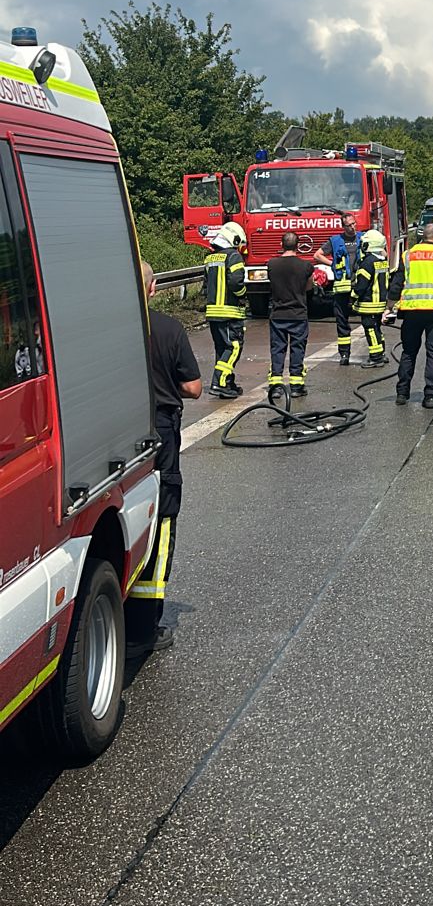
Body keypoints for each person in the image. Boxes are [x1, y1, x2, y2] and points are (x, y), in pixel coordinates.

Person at [128, 262, 202, 653]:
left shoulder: (106, 327)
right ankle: (144, 627)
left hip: (117, 429)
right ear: (154, 288)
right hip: (160, 432)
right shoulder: (170, 329)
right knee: (161, 519)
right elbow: (193, 387)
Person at [387, 221, 433, 407]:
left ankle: (402, 393)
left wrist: (388, 308)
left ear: (422, 236)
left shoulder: (408, 256)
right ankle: (430, 396)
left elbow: (395, 286)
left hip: (412, 312)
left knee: (409, 352)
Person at [266, 231, 322, 400]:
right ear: (298, 245)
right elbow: (309, 287)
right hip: (298, 314)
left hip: (278, 314)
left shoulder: (271, 264)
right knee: (297, 349)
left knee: (278, 350)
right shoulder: (305, 266)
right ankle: (296, 386)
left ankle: (275, 387)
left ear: (281, 245)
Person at [205, 220, 248, 396]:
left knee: (222, 349)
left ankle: (228, 382)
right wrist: (244, 295)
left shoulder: (210, 258)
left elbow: (206, 284)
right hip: (229, 311)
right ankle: (219, 383)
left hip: (213, 312)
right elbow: (236, 282)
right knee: (234, 347)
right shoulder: (233, 256)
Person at [320, 214, 360, 365]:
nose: (352, 227)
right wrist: (332, 264)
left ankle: (376, 353)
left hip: (360, 285)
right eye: (349, 225)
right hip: (342, 287)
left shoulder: (362, 238)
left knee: (369, 319)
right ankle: (344, 354)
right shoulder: (336, 241)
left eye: (354, 224)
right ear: (343, 227)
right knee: (342, 321)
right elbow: (318, 255)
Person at [352, 227, 390, 365]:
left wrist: (353, 296)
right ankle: (381, 353)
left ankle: (375, 357)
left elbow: (361, 284)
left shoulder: (367, 262)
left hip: (369, 303)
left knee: (370, 329)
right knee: (377, 328)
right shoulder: (382, 261)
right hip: (380, 302)